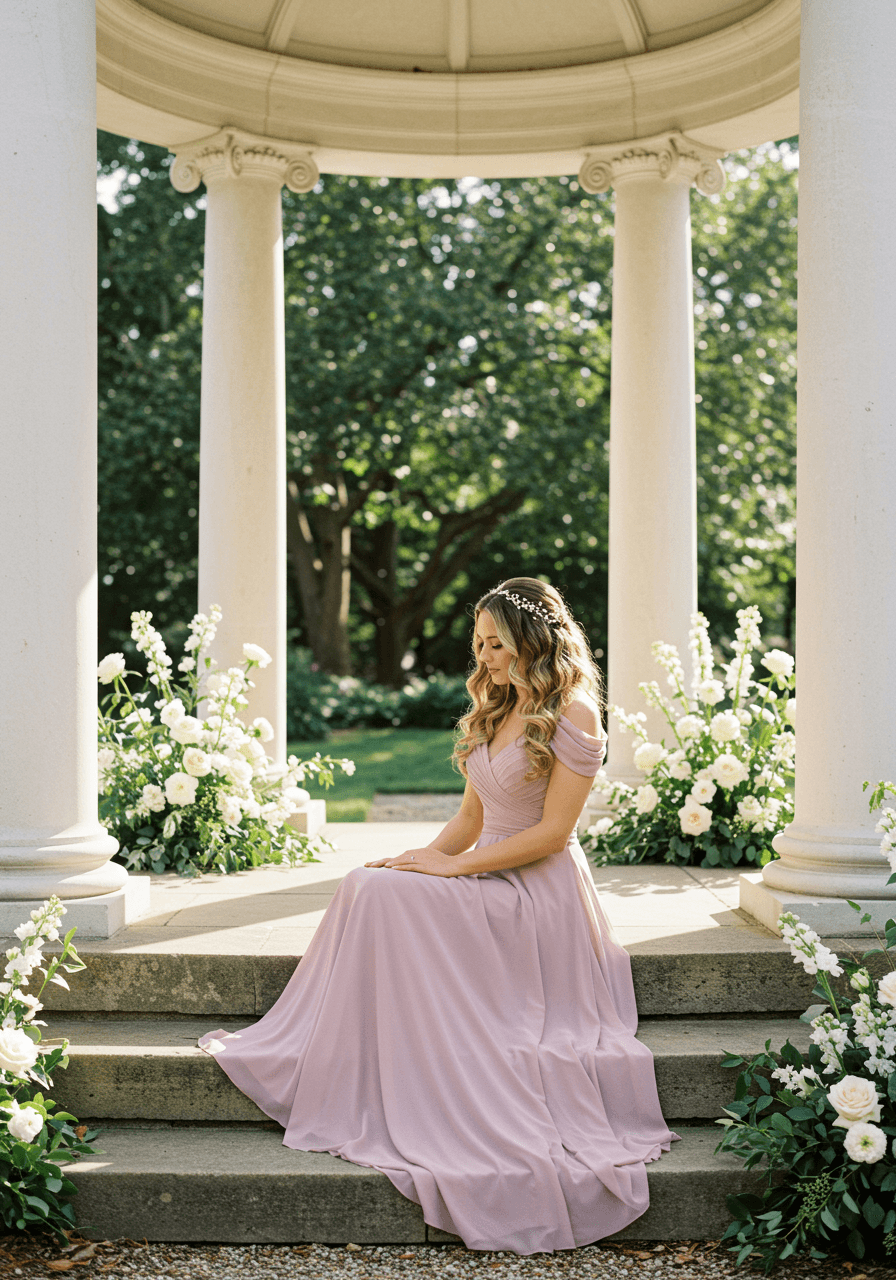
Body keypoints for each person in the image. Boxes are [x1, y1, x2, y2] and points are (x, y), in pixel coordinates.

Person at [199, 577, 678, 1254]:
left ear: (534, 642)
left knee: (385, 894)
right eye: (478, 643)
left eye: (495, 644)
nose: (482, 658)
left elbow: (552, 835)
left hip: (537, 894)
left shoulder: (574, 715)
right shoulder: (498, 705)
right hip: (485, 872)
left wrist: (452, 869)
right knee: (369, 884)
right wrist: (421, 857)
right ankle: (343, 1056)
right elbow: (469, 818)